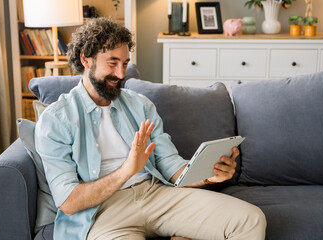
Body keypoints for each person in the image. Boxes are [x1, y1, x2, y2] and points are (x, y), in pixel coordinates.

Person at [35, 17, 266, 240]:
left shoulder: (139, 105)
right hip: (102, 213)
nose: (121, 74)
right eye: (112, 63)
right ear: (86, 60)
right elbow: (69, 201)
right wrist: (127, 169)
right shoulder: (56, 120)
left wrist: (208, 175)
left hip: (156, 194)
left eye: (125, 64)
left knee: (251, 220)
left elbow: (170, 165)